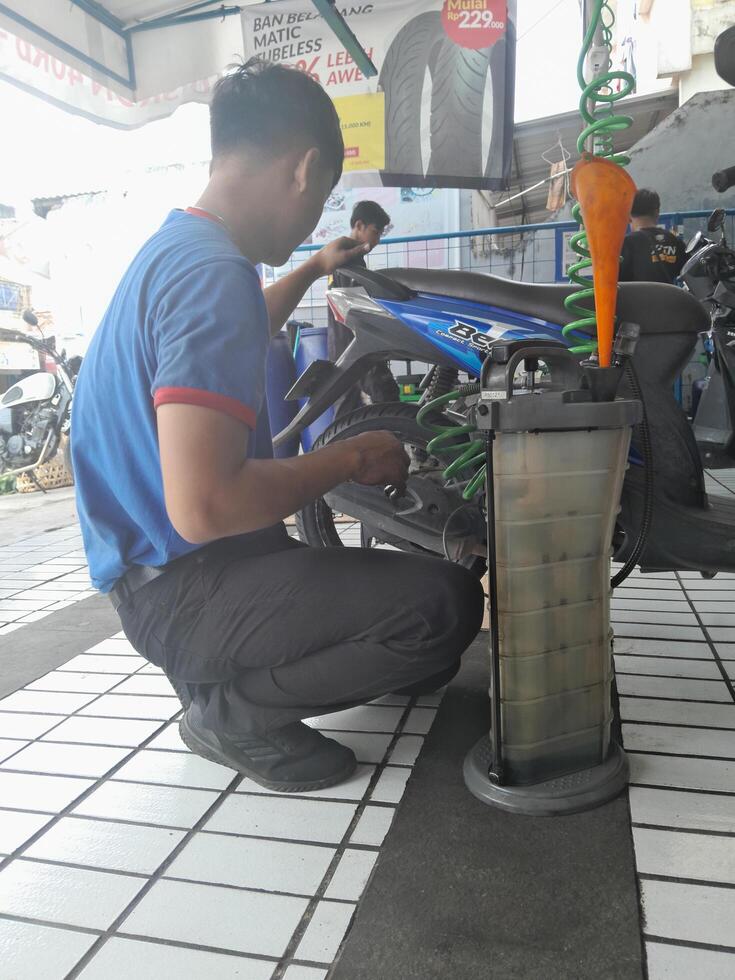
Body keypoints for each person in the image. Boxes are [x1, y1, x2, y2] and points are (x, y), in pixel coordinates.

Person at [71, 60, 484, 793]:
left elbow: (226, 335)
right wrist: (352, 455)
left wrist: (310, 269)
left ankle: (237, 674)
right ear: (305, 168)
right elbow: (207, 507)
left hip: (157, 579)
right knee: (443, 609)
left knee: (431, 654)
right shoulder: (211, 275)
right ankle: (225, 714)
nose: (313, 219)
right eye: (321, 200)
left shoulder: (178, 252)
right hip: (187, 588)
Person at [327, 200, 401, 418]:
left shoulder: (341, 256)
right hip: (355, 345)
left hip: (341, 346)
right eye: (375, 232)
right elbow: (356, 309)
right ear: (359, 225)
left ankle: (339, 447)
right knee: (386, 395)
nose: (377, 240)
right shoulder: (351, 261)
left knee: (346, 410)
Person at [619, 188, 687, 284]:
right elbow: (688, 272)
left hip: (636, 298)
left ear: (629, 215)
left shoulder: (625, 244)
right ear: (657, 212)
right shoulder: (674, 241)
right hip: (668, 297)